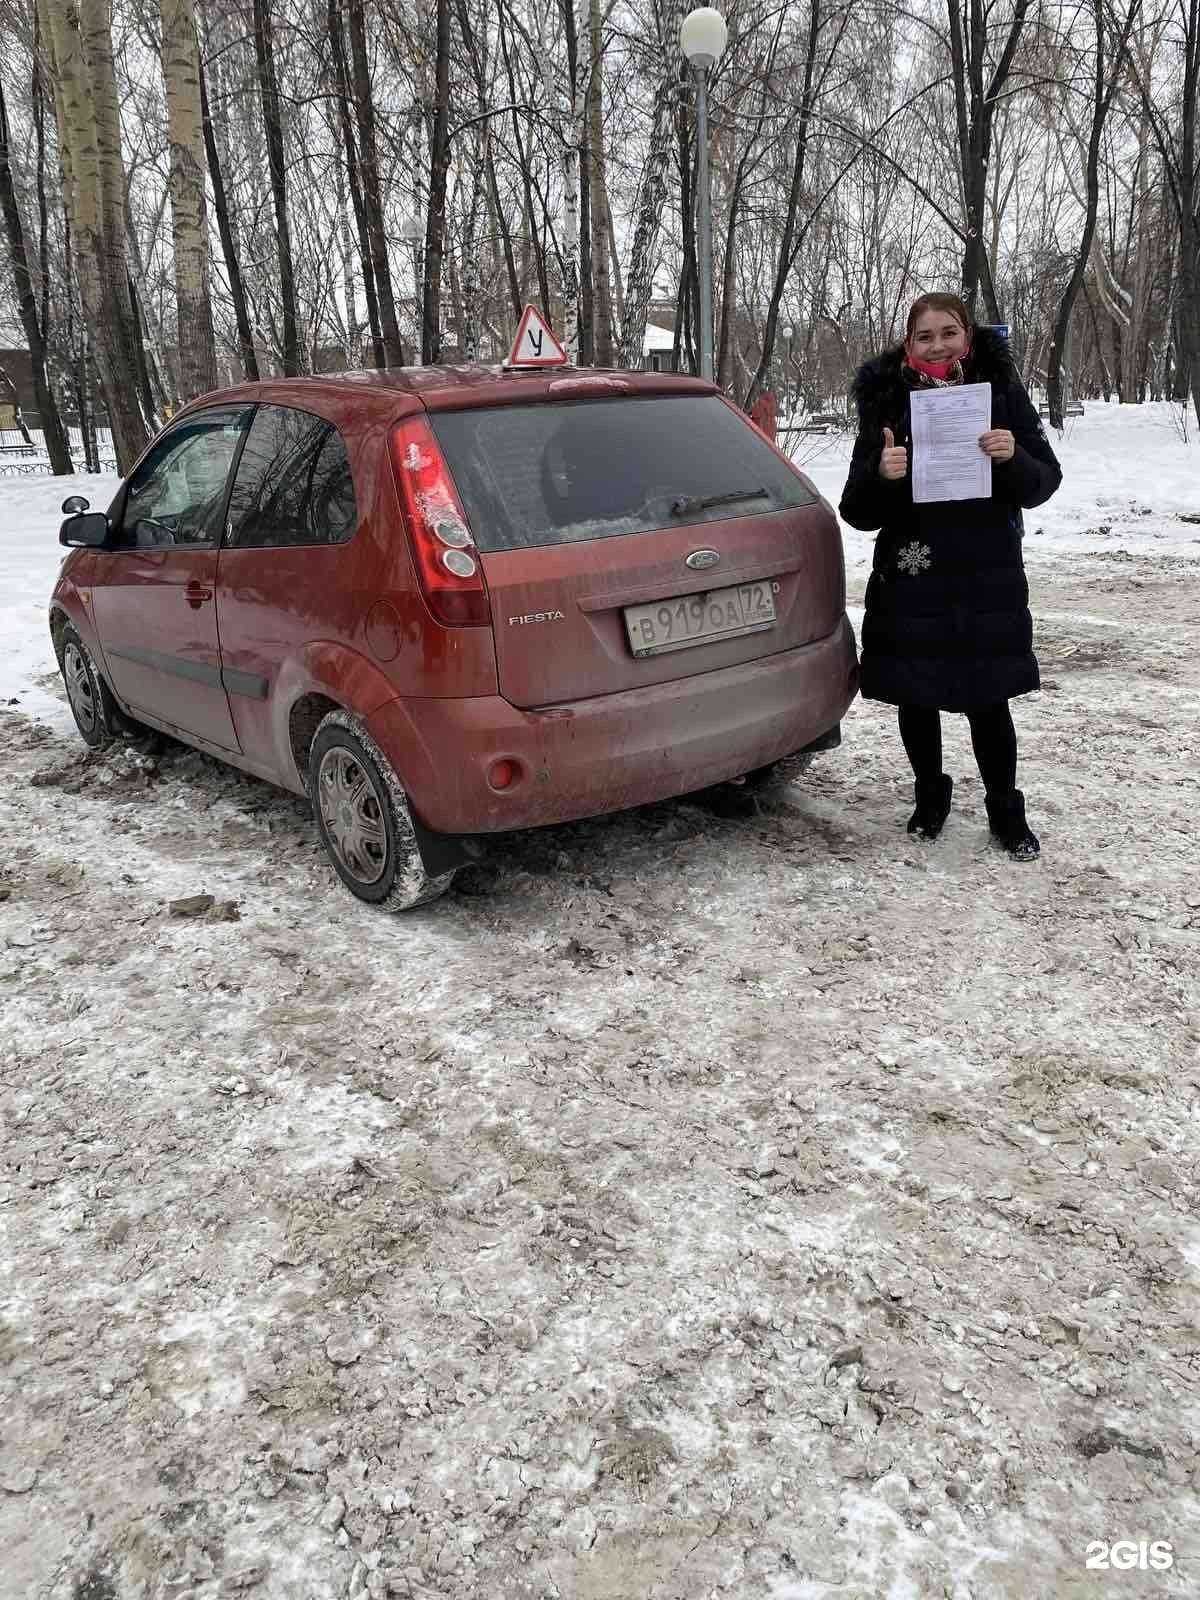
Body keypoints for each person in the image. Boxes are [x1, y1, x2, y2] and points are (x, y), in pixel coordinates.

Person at [838, 292, 1061, 860]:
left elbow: (1044, 482)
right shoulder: (888, 399)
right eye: (925, 336)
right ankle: (930, 798)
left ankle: (1006, 811)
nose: (937, 345)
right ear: (908, 343)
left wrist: (1013, 456)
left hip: (986, 572)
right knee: (917, 695)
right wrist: (881, 474)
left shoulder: (1000, 390)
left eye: (948, 333)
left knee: (989, 698)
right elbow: (856, 510)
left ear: (968, 335)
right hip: (914, 573)